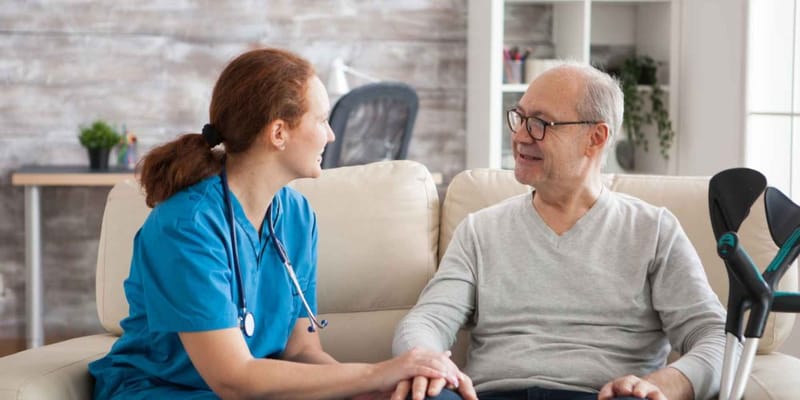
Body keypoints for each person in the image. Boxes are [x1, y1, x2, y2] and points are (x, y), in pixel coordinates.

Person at [88, 48, 463, 399]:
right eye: (322, 120)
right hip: (166, 390)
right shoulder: (187, 226)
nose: (330, 135)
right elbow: (232, 377)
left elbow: (301, 350)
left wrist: (373, 390)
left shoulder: (296, 216)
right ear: (279, 132)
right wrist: (377, 372)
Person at [391, 62, 728, 400]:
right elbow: (428, 320)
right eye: (519, 118)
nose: (521, 135)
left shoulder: (653, 230)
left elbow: (716, 336)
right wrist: (426, 360)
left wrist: (664, 383)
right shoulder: (480, 230)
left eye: (539, 123)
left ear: (595, 138)